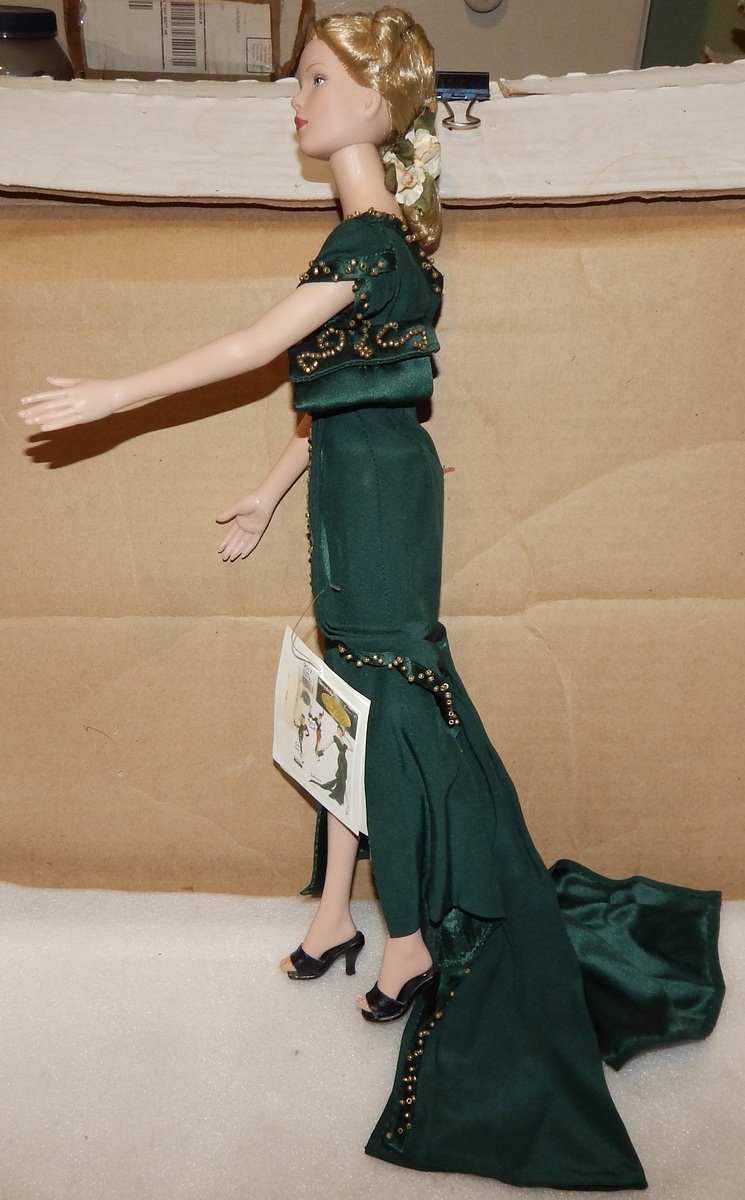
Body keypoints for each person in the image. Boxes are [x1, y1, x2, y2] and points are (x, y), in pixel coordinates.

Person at [18, 8, 724, 1191]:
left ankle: (405, 939)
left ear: (376, 102)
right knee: (347, 699)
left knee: (388, 705)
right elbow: (341, 397)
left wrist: (116, 393)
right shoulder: (370, 237)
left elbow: (256, 349)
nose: (294, 100)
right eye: (298, 80)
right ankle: (335, 912)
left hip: (383, 501)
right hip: (359, 480)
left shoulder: (368, 242)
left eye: (314, 79)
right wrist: (265, 492)